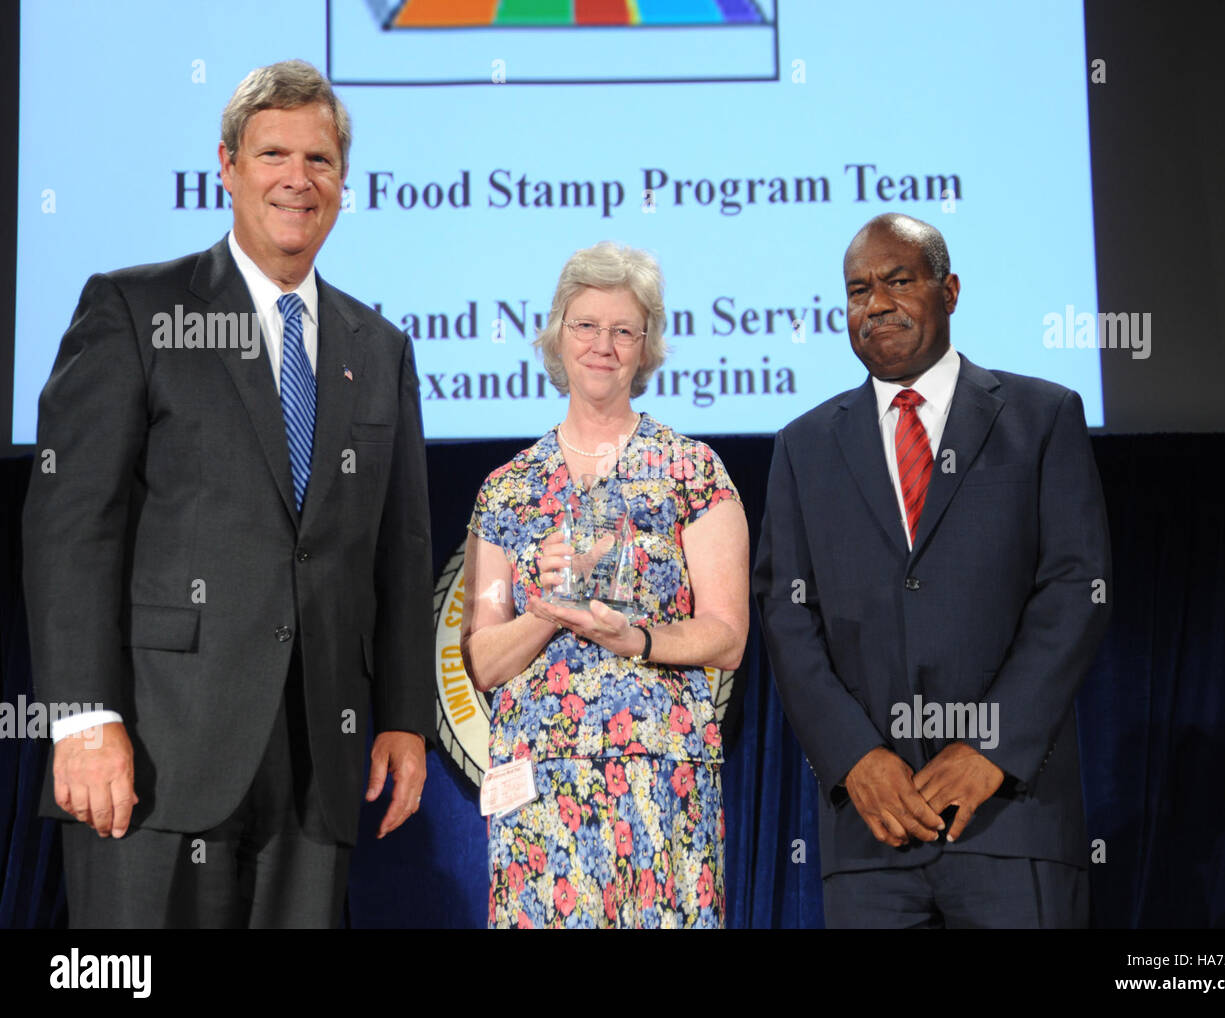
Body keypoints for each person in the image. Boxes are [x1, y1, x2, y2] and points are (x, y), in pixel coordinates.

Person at [22, 60, 436, 928]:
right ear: (226, 166)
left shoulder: (382, 346)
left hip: (318, 764)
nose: (297, 179)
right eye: (273, 154)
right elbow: (72, 531)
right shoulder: (135, 310)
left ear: (343, 183)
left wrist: (402, 716)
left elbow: (396, 553)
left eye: (319, 160)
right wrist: (82, 718)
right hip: (153, 759)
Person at [753, 213, 1112, 928]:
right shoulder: (803, 446)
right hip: (872, 833)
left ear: (948, 290)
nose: (875, 303)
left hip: (1011, 822)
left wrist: (990, 748)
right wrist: (856, 759)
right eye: (858, 290)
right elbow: (788, 618)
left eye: (897, 281)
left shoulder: (1042, 418)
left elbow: (1077, 591)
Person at [460, 242, 748, 928]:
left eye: (624, 330)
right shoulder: (507, 492)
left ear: (645, 348)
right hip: (540, 791)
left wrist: (636, 637)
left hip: (662, 780)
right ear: (559, 333)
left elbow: (727, 638)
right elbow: (483, 658)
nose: (603, 345)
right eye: (586, 325)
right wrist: (548, 610)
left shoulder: (693, 473)